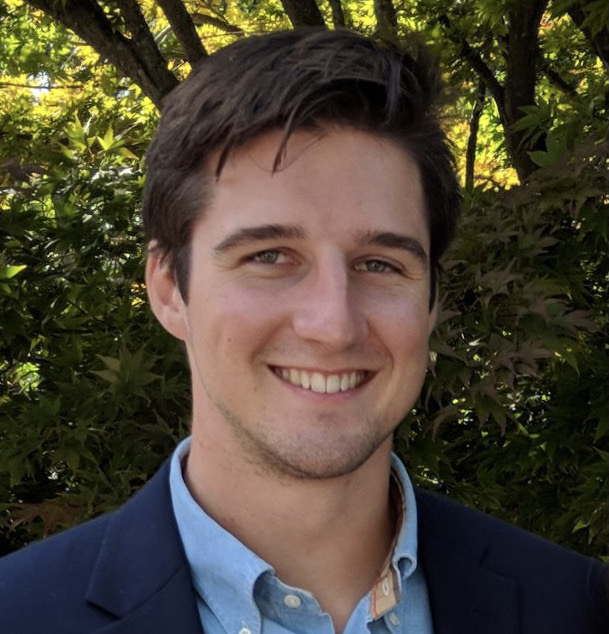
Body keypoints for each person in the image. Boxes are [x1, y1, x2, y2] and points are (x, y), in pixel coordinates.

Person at [0, 28, 606, 634]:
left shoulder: (575, 609)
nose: (333, 325)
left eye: (380, 264)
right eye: (269, 256)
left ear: (431, 303)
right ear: (168, 289)